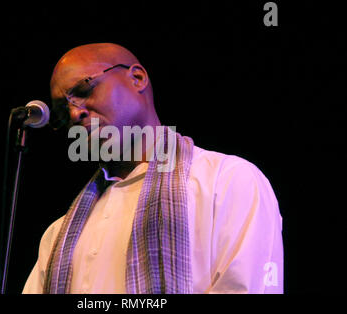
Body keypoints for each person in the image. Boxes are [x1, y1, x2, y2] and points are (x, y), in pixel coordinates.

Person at [22, 43, 283, 294]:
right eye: (61, 110)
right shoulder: (58, 235)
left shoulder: (227, 181)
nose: (73, 112)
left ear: (137, 78)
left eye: (84, 89)